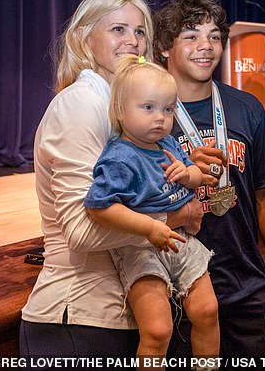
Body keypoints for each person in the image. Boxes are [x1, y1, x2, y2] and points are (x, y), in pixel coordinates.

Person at [20, 0, 204, 361]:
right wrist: (175, 216)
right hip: (77, 319)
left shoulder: (125, 110)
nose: (132, 42)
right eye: (118, 30)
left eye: (140, 32)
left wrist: (188, 177)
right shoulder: (81, 104)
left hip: (116, 316)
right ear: (83, 38)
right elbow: (81, 230)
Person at [153, 0, 265, 366]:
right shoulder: (146, 116)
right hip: (177, 296)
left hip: (245, 290)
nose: (206, 46)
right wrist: (183, 165)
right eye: (191, 36)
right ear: (165, 47)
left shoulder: (247, 108)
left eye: (214, 36)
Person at [84, 55, 219, 364]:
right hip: (139, 247)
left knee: (208, 310)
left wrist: (189, 176)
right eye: (148, 108)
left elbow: (196, 176)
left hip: (179, 240)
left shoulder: (168, 144)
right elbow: (99, 208)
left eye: (168, 109)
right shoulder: (119, 157)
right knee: (158, 330)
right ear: (120, 110)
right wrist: (148, 227)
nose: (160, 118)